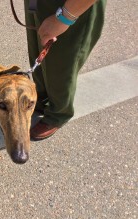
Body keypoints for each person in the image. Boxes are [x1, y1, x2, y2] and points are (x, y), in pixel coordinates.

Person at [24, 0, 107, 140]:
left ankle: (59, 112)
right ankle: (41, 98)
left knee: (61, 64)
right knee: (37, 50)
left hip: (71, 5)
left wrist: (63, 18)